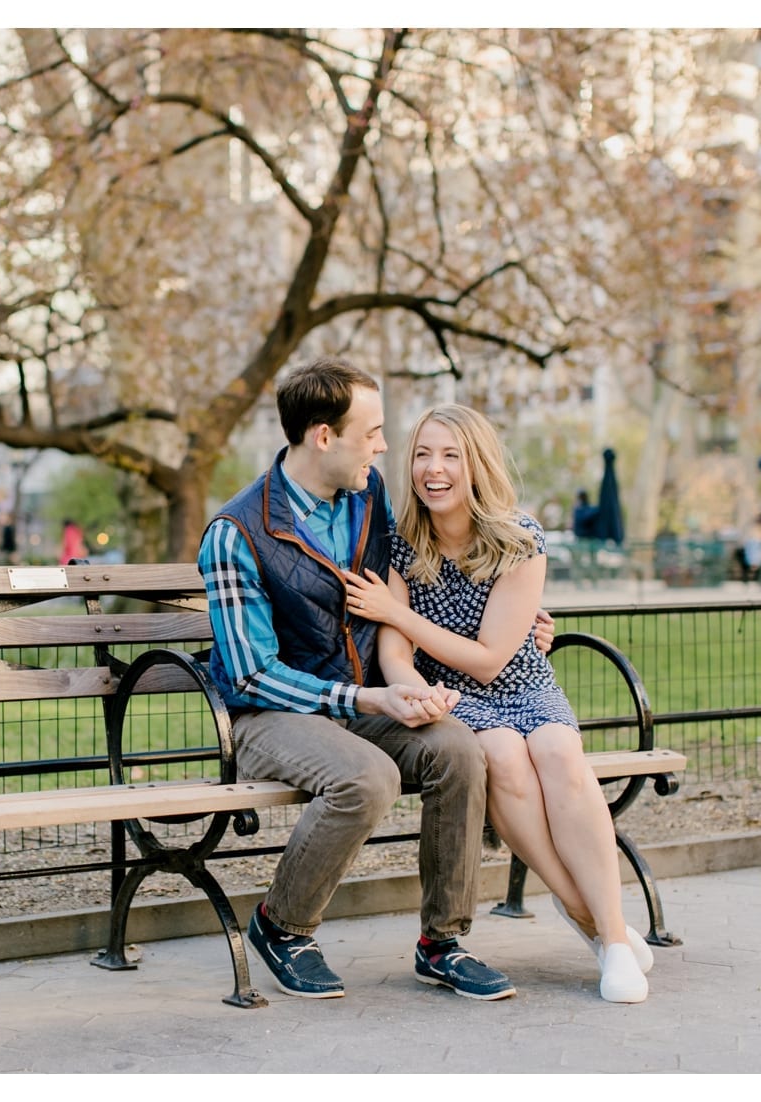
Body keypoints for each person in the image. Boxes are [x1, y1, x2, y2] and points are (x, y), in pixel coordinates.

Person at [198, 357, 553, 1003]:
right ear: (323, 436)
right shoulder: (236, 532)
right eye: (373, 433)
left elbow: (417, 578)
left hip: (363, 700)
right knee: (367, 776)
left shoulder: (368, 494)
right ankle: (282, 926)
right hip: (268, 714)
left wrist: (519, 612)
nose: (386, 447)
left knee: (457, 750)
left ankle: (442, 942)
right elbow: (252, 671)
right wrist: (363, 696)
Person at [343, 403, 651, 1003]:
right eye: (423, 455)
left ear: (477, 464)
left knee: (560, 752)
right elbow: (397, 653)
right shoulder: (401, 544)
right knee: (505, 758)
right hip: (457, 698)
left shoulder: (519, 539)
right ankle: (600, 926)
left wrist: (395, 612)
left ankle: (606, 932)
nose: (435, 469)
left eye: (451, 455)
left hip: (523, 683)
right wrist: (410, 686)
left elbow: (490, 657)